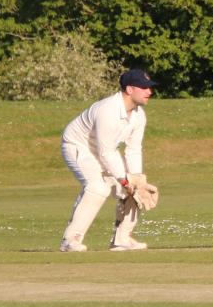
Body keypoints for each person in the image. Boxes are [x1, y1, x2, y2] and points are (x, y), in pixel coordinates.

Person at [59, 68, 157, 252]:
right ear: (129, 89)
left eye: (149, 88)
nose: (149, 92)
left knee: (134, 189)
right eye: (144, 88)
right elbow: (106, 152)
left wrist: (136, 179)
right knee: (98, 187)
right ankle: (70, 240)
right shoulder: (108, 110)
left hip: (103, 150)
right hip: (78, 145)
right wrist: (124, 179)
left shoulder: (139, 115)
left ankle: (122, 239)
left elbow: (134, 149)